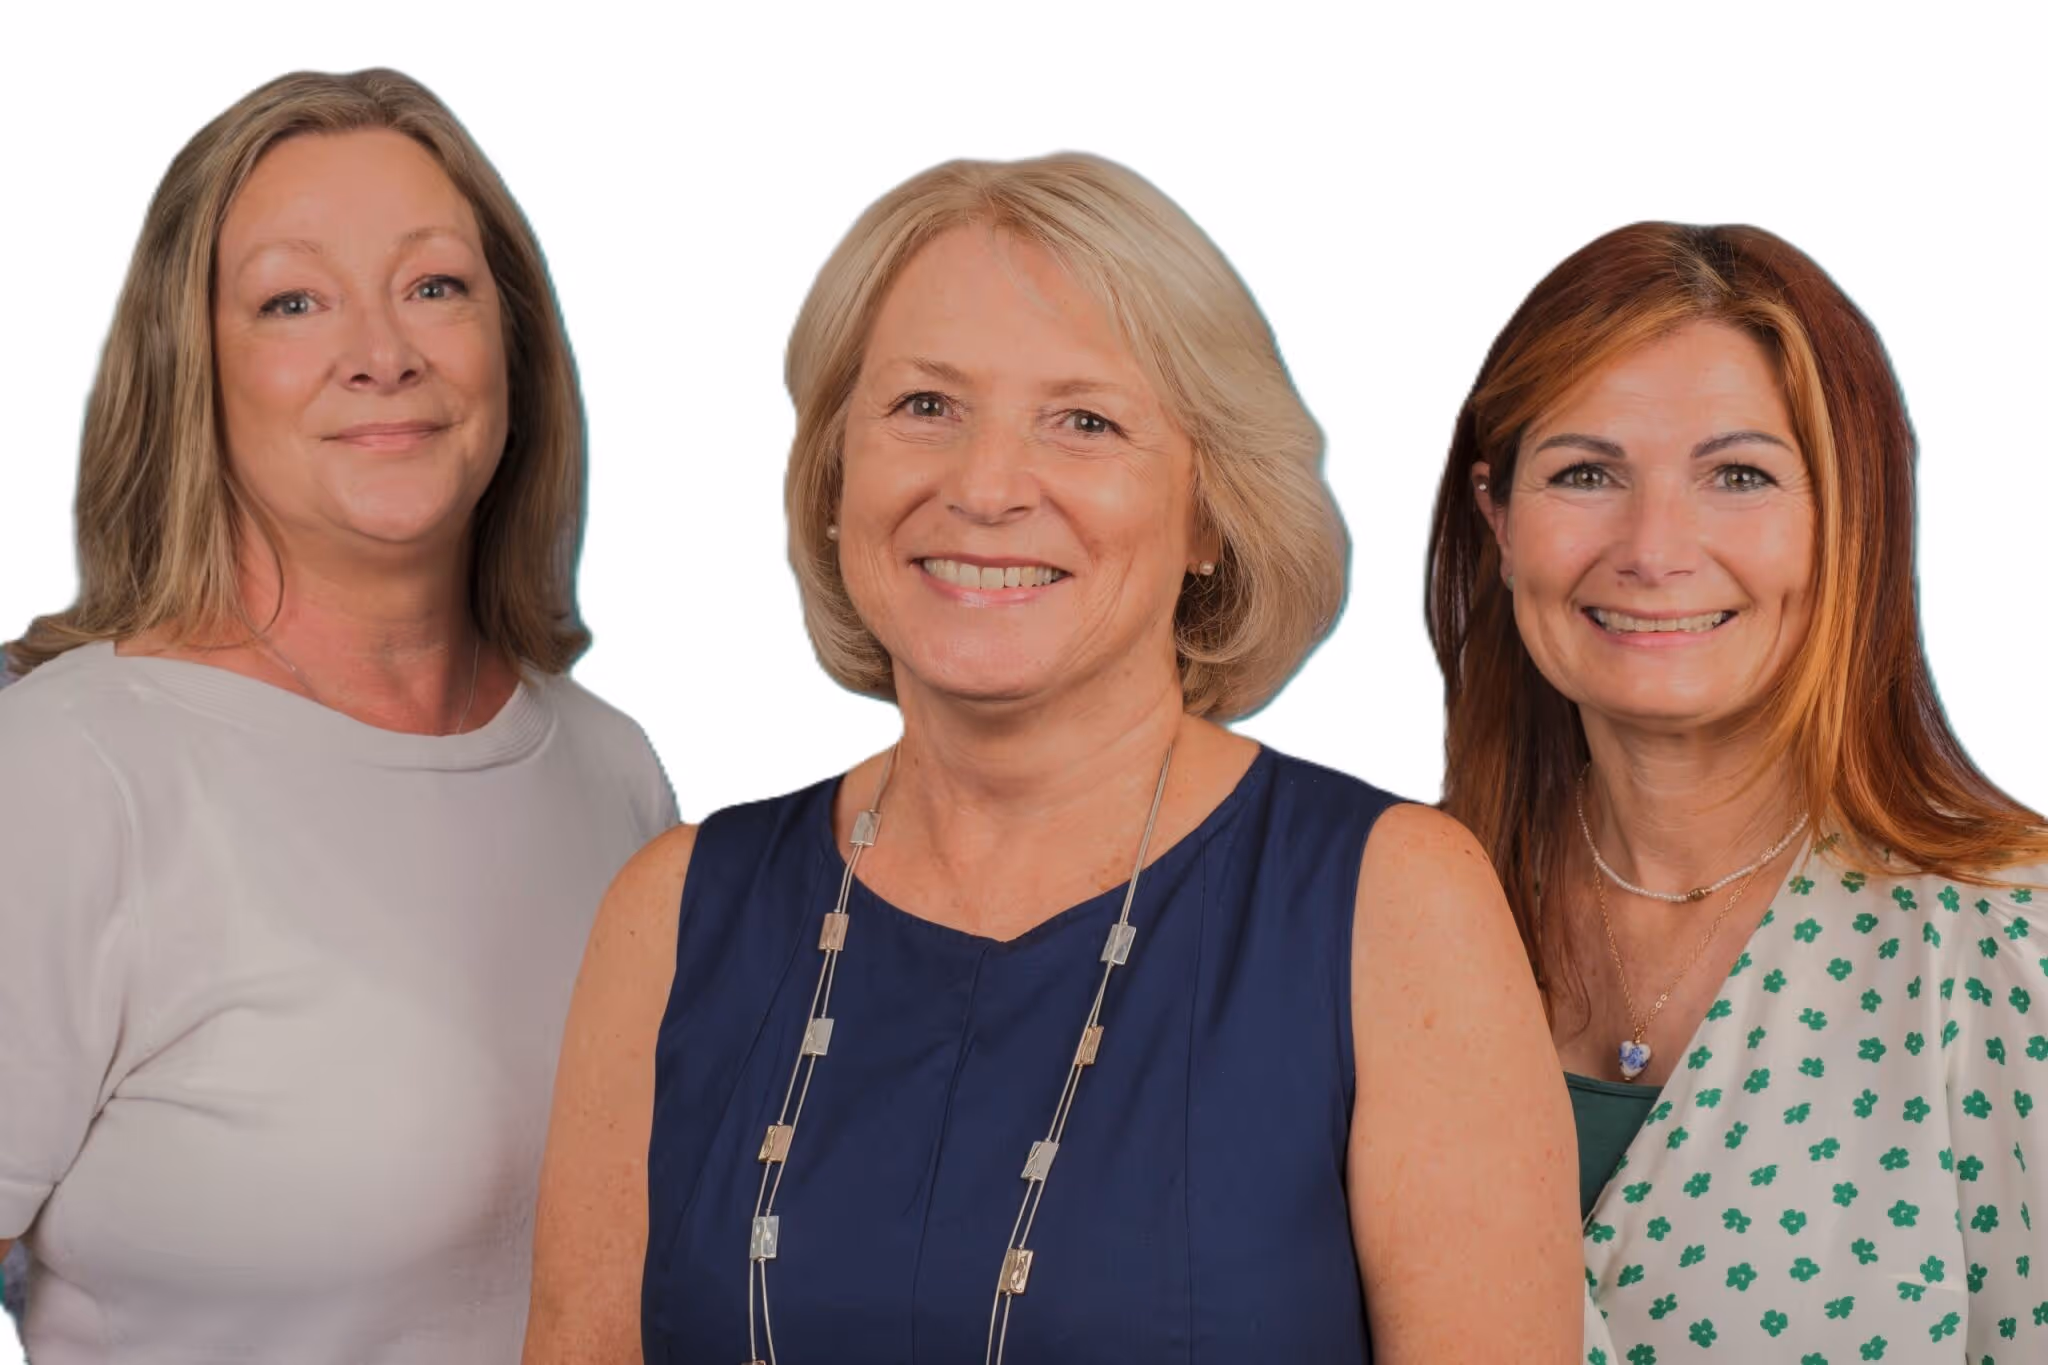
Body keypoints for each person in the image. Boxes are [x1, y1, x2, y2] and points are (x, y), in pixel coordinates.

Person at [524, 154, 1582, 1365]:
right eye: (924, 406)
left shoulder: (1394, 906)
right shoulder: (671, 912)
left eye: (1084, 421)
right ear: (832, 479)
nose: (984, 486)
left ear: (1205, 513)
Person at [0, 69, 675, 1364]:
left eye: (435, 286)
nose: (384, 351)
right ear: (193, 369)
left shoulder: (610, 772)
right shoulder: (72, 773)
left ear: (513, 348)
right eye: (293, 300)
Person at [1427, 222, 2048, 1361]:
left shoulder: (2012, 949)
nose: (1653, 547)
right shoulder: (1381, 926)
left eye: (1738, 476)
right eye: (1583, 473)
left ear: (1849, 518)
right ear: (1497, 519)